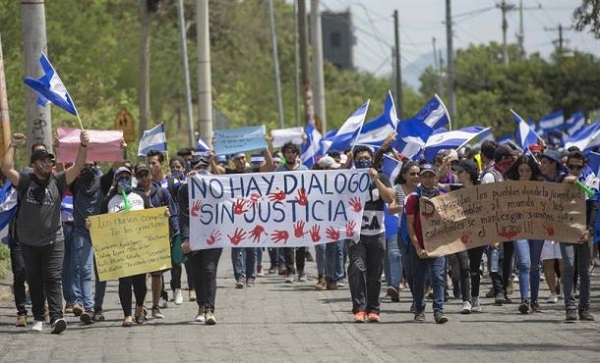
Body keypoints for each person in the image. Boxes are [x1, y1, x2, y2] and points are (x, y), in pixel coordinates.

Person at [1, 130, 89, 334]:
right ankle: (39, 317)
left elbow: (77, 167)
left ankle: (57, 318)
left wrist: (83, 146)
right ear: (34, 165)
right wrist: (13, 144)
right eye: (43, 161)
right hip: (28, 241)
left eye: (50, 160)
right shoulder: (25, 181)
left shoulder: (58, 181)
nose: (49, 163)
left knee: (52, 277)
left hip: (54, 240)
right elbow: (6, 168)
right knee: (34, 279)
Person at [97, 167, 151, 327]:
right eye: (121, 177)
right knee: (124, 281)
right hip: (120, 248)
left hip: (139, 247)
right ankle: (127, 314)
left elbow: (151, 217)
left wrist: (163, 216)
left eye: (127, 177)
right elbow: (100, 223)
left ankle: (139, 308)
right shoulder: (109, 201)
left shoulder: (140, 197)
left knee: (140, 282)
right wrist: (90, 225)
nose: (124, 180)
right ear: (115, 181)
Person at [348, 146, 394, 323]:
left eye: (366, 158)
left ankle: (373, 309)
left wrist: (376, 179)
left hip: (376, 234)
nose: (363, 160)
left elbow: (390, 198)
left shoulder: (381, 177)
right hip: (356, 235)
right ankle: (359, 308)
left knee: (375, 274)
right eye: (359, 158)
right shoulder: (348, 179)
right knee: (357, 270)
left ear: (372, 159)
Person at [179, 155, 223, 325]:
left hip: (213, 237)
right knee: (196, 273)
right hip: (194, 238)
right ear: (192, 170)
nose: (202, 170)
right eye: (198, 167)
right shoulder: (184, 190)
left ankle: (210, 310)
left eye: (205, 167)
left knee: (209, 270)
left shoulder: (215, 186)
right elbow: (184, 216)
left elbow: (227, 193)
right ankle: (201, 307)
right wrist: (185, 238)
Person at [406, 164, 448, 324]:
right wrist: (417, 247)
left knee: (438, 278)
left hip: (437, 246)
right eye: (425, 176)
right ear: (421, 178)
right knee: (419, 280)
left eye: (431, 176)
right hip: (420, 246)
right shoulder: (413, 198)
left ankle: (439, 311)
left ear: (435, 178)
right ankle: (419, 309)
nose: (428, 179)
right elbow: (410, 224)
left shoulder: (442, 197)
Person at [504, 155, 545, 313]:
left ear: (532, 171)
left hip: (537, 229)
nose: (524, 173)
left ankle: (534, 301)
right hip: (518, 229)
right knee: (524, 264)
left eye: (528, 170)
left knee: (535, 266)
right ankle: (524, 300)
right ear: (517, 171)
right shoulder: (510, 187)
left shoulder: (541, 185)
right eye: (521, 170)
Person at [560, 151, 597, 322]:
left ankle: (584, 309)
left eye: (578, 166)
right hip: (565, 230)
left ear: (584, 166)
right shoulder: (560, 180)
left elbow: (594, 206)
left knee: (584, 271)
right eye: (571, 166)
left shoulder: (590, 179)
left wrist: (590, 229)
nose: (574, 169)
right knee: (568, 266)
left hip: (583, 231)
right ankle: (570, 308)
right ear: (567, 165)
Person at [275, 142, 309, 283]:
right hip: (285, 211)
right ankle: (290, 271)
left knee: (301, 241)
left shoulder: (304, 170)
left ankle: (301, 270)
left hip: (301, 211)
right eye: (287, 152)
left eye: (292, 152)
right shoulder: (278, 171)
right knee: (287, 241)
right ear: (284, 155)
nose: (290, 154)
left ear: (297, 154)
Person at [389, 161, 421, 304]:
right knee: (408, 268)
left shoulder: (422, 190)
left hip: (421, 233)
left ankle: (419, 299)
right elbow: (391, 208)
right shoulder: (397, 189)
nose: (416, 176)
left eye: (418, 174)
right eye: (412, 174)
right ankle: (415, 298)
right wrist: (405, 207)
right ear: (404, 175)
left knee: (419, 268)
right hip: (403, 233)